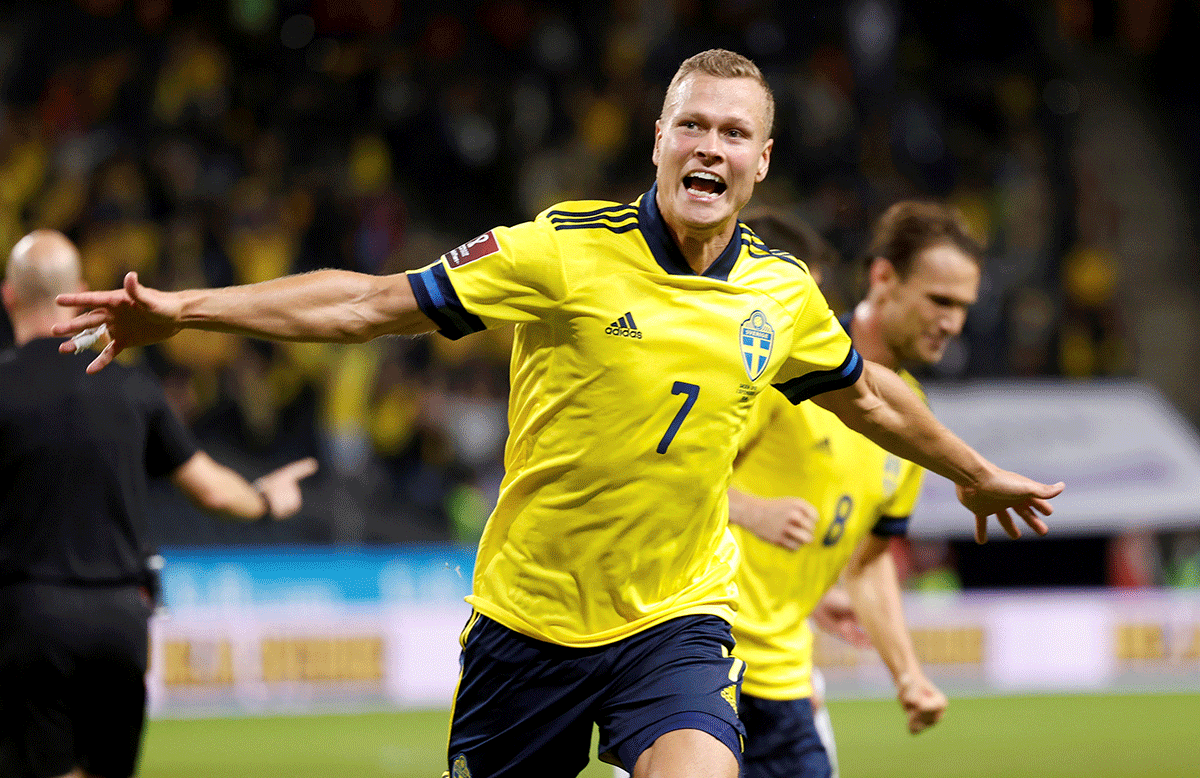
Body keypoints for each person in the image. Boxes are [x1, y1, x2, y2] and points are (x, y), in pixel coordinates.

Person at [51, 50, 1061, 778]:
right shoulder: (559, 251)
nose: (710, 145)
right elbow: (368, 301)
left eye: (734, 132)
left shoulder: (783, 293)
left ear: (761, 161)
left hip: (675, 616)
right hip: (527, 620)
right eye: (693, 124)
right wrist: (183, 310)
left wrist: (970, 469)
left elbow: (869, 397)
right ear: (660, 140)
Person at [0, 230, 318, 778]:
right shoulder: (134, 391)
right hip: (121, 621)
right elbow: (214, 491)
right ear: (78, 291)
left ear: (8, 295)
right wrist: (266, 499)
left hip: (30, 618)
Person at [730, 201, 983, 778]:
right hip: (698, 668)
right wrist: (750, 510)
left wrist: (907, 673)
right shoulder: (783, 361)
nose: (953, 323)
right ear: (883, 278)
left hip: (786, 681)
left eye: (964, 308)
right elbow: (673, 477)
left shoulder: (912, 417)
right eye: (940, 301)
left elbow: (869, 563)